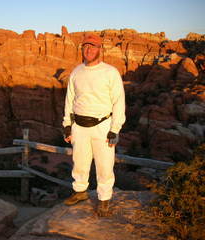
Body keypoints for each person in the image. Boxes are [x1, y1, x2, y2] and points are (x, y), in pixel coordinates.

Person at [62, 34, 126, 217]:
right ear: (82, 49)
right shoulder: (76, 72)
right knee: (79, 162)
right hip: (79, 126)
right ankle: (80, 192)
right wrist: (67, 124)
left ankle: (104, 200)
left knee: (104, 165)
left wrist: (115, 129)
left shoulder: (110, 72)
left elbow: (119, 102)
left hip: (103, 126)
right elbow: (70, 100)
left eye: (93, 46)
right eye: (85, 46)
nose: (89, 50)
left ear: (100, 49)